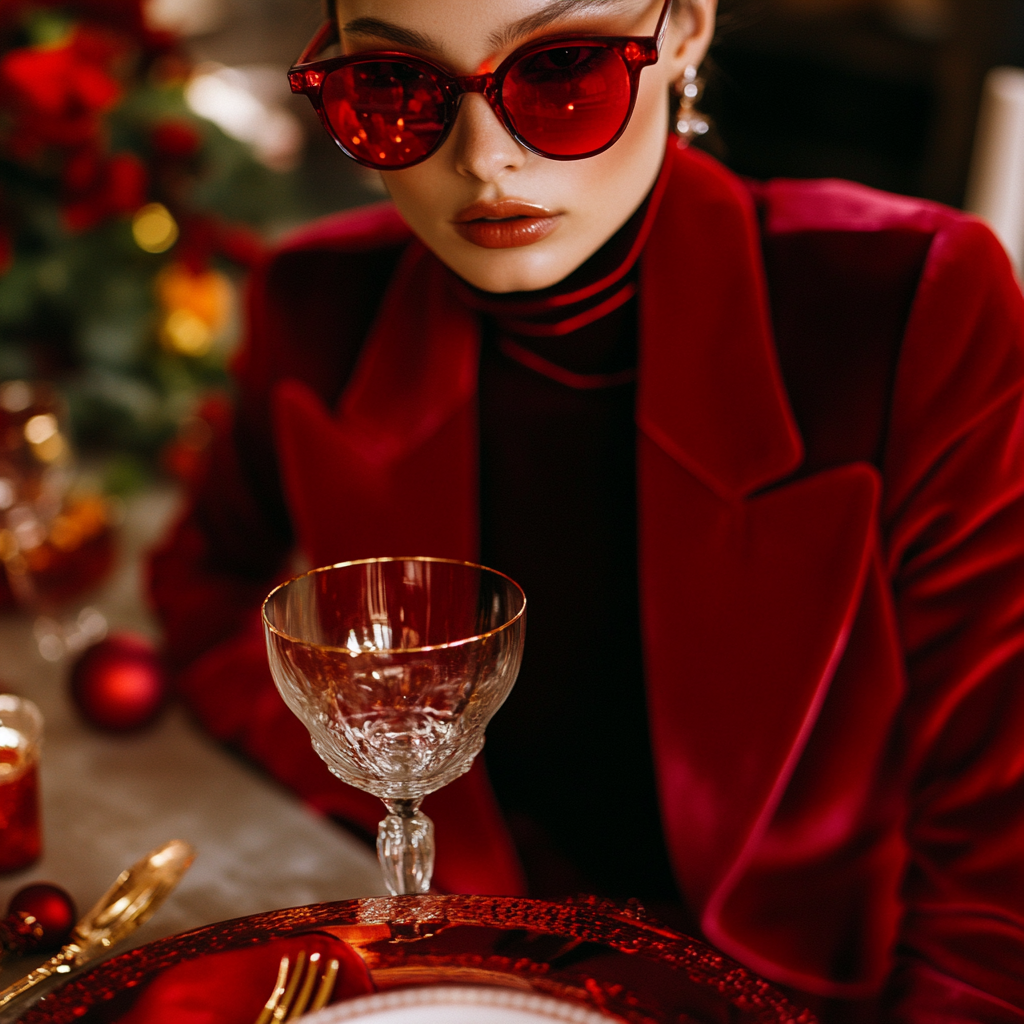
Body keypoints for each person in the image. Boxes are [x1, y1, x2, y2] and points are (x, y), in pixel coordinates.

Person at [148, 0, 1024, 1019]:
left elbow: (998, 854)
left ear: (686, 29)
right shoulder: (315, 303)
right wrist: (377, 767)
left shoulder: (901, 300)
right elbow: (201, 586)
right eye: (393, 86)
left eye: (561, 68)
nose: (483, 161)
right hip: (453, 979)